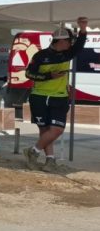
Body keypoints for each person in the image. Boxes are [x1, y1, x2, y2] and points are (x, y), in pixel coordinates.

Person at [23, 18, 88, 171]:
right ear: (60, 41)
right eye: (68, 41)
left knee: (57, 129)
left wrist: (83, 28)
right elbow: (28, 73)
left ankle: (33, 151)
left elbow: (79, 45)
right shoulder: (40, 55)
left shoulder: (68, 54)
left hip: (59, 96)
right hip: (39, 96)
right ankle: (50, 160)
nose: (71, 44)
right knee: (45, 130)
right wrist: (49, 76)